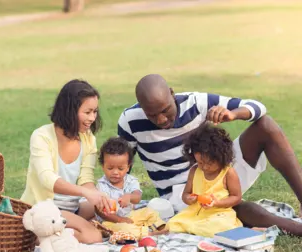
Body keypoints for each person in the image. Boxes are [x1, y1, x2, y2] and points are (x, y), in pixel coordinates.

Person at [118, 74, 302, 235]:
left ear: (172, 94)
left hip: (218, 170)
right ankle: (296, 229)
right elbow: (123, 166)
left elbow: (258, 107)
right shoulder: (130, 121)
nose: (161, 119)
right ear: (142, 108)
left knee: (266, 125)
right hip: (183, 195)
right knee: (237, 210)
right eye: (151, 114)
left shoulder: (196, 103)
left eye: (165, 110)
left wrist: (233, 114)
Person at [21, 79, 113, 244]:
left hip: (70, 208)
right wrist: (85, 193)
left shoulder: (88, 139)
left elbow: (86, 178)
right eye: (87, 112)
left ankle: (56, 232)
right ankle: (39, 235)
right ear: (69, 111)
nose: (93, 117)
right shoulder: (41, 136)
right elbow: (47, 179)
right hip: (44, 209)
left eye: (95, 111)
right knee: (94, 236)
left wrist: (97, 195)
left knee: (105, 207)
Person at [167, 123, 242, 237]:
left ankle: (194, 229)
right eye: (201, 163)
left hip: (219, 214)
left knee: (219, 226)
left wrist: (217, 203)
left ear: (221, 157)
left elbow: (236, 197)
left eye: (210, 163)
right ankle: (194, 228)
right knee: (172, 223)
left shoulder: (228, 173)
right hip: (195, 213)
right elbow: (185, 194)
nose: (205, 167)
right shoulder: (194, 171)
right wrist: (189, 198)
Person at [95, 137, 166, 239]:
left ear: (128, 167)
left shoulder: (131, 181)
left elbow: (137, 197)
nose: (115, 172)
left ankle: (160, 227)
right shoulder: (102, 186)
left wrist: (129, 196)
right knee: (124, 229)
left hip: (130, 216)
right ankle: (146, 233)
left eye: (120, 168)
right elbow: (100, 212)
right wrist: (119, 220)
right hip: (110, 222)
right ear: (103, 166)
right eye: (110, 168)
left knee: (149, 211)